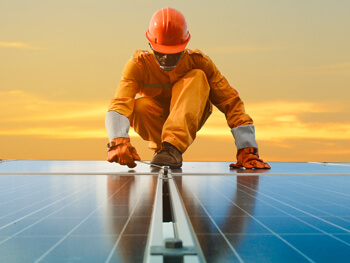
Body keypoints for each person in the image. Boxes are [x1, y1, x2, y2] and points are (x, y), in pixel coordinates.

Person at [105, 7, 270, 169]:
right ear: (149, 44)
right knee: (139, 106)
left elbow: (230, 101)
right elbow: (120, 103)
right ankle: (164, 149)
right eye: (160, 53)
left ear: (184, 45)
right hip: (157, 123)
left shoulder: (199, 62)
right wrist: (117, 140)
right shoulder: (137, 66)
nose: (166, 59)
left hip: (191, 114)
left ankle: (172, 148)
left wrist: (247, 148)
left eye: (173, 53)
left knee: (198, 76)